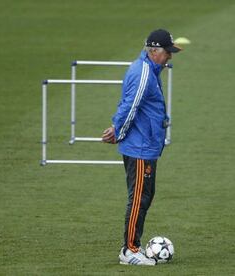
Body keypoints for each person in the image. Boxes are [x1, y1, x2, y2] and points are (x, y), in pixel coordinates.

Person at [102, 29, 182, 266]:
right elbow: (131, 104)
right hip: (139, 147)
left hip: (144, 146)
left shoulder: (149, 68)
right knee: (138, 198)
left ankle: (131, 247)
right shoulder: (144, 73)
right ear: (155, 51)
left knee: (144, 196)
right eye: (168, 52)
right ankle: (130, 250)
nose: (170, 56)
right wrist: (118, 130)